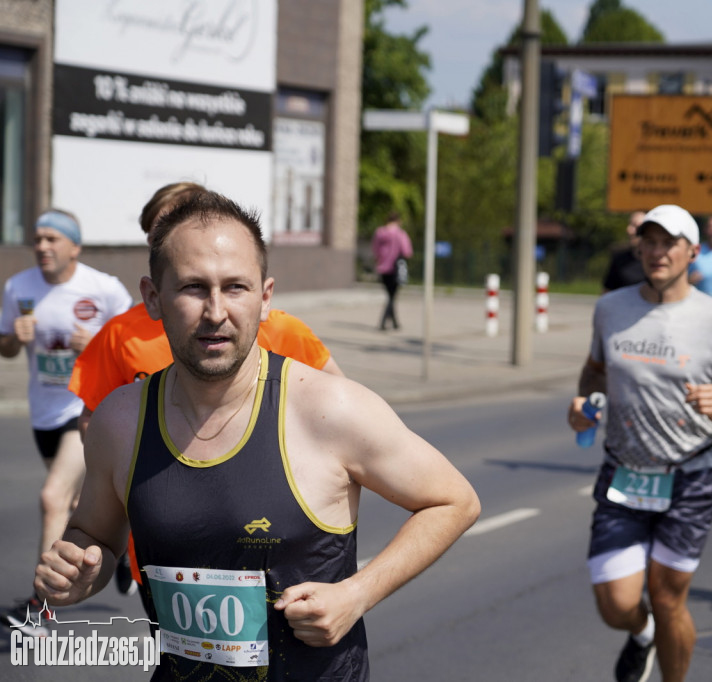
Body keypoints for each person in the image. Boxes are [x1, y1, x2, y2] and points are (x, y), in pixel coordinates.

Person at [35, 191, 480, 679]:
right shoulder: (120, 421)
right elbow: (95, 535)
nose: (216, 311)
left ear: (265, 297)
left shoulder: (330, 408)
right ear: (153, 298)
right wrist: (81, 569)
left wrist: (357, 593)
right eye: (193, 288)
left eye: (236, 288)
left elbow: (454, 500)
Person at [68, 181, 345, 600]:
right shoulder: (120, 333)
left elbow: (339, 411)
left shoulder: (275, 325)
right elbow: (96, 420)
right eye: (164, 229)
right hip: (164, 556)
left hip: (273, 561)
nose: (214, 311)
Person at [567, 204, 712, 682]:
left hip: (689, 475)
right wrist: (583, 406)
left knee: (669, 595)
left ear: (691, 252)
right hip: (623, 472)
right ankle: (641, 633)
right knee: (615, 603)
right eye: (649, 242)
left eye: (668, 243)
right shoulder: (611, 308)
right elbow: (594, 372)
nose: (657, 253)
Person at [0, 210, 133, 636]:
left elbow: (131, 343)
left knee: (52, 497)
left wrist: (96, 343)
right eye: (38, 239)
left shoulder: (104, 289)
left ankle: (40, 610)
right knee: (78, 508)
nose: (42, 246)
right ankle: (126, 553)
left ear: (74, 246)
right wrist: (12, 339)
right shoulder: (18, 287)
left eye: (52, 239)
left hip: (86, 411)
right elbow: (4, 349)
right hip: (43, 412)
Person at [372, 211, 413, 330]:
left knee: (390, 295)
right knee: (392, 296)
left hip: (382, 267)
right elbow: (407, 251)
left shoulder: (379, 232)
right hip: (395, 268)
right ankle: (383, 322)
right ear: (398, 221)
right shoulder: (400, 234)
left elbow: (374, 249)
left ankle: (395, 322)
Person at [602, 211, 647, 292]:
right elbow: (606, 293)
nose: (629, 230)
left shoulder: (658, 261)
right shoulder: (620, 259)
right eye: (629, 224)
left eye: (635, 226)